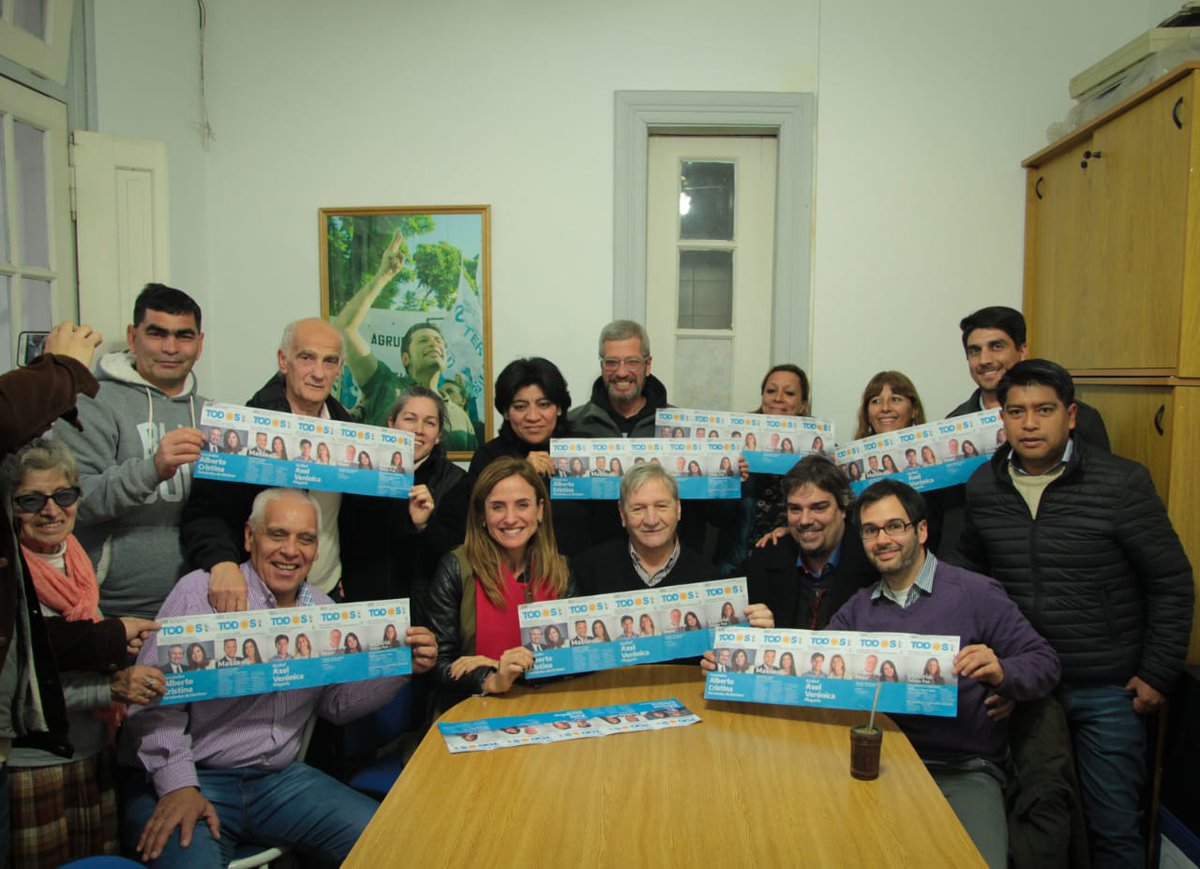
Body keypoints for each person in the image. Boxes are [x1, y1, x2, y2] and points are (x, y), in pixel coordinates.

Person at [953, 359, 1193, 868]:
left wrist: (1157, 673)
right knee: (1035, 822)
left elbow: (1171, 582)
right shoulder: (983, 485)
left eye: (1044, 410)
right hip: (1023, 685)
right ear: (1002, 419)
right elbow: (971, 579)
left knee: (1111, 825)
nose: (1030, 424)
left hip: (1104, 687)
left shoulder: (1121, 483)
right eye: (1016, 412)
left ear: (1071, 415)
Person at [120, 487, 438, 865]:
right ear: (248, 537)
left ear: (317, 550)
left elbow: (334, 704)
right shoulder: (199, 594)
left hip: (279, 780)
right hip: (195, 776)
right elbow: (152, 705)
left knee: (393, 847)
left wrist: (402, 668)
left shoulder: (323, 611)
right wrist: (178, 784)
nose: (291, 550)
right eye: (277, 535)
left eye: (304, 539)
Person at [829, 479, 1060, 869]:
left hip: (964, 769)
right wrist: (745, 651)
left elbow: (1044, 661)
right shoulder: (857, 609)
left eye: (894, 526)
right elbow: (807, 669)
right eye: (870, 531)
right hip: (879, 765)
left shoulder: (975, 592)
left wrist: (1003, 671)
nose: (882, 539)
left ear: (921, 531)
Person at [0, 323, 164, 862]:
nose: (51, 511)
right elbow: (30, 678)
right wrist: (111, 679)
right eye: (31, 502)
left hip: (92, 752)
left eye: (64, 495)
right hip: (33, 762)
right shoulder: (13, 582)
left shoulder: (81, 561)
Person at [182, 318, 376, 608]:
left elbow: (363, 523)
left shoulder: (355, 437)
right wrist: (221, 562)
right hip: (252, 596)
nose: (318, 373)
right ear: (283, 361)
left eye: (330, 361)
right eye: (307, 358)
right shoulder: (241, 430)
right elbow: (204, 512)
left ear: (339, 369)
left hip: (327, 594)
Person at [53, 284, 208, 620]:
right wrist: (152, 469)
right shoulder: (89, 404)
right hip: (107, 608)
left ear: (199, 344)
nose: (170, 348)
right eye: (157, 333)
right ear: (132, 336)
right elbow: (74, 502)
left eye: (184, 336)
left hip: (194, 605)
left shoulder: (212, 415)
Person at [568, 320, 738, 552]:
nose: (621, 372)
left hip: (670, 568)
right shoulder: (571, 425)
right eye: (611, 362)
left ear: (648, 366)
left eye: (632, 362)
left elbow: (720, 515)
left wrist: (726, 475)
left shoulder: (685, 429)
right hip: (595, 565)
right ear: (601, 366)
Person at [426, 458, 573, 705]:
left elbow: (577, 659)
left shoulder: (562, 569)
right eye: (497, 507)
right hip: (475, 709)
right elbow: (439, 666)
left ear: (539, 511)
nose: (510, 518)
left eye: (522, 505)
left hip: (550, 706)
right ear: (481, 515)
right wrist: (491, 679)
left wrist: (497, 665)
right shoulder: (455, 567)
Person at [335, 231, 479, 448]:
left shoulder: (460, 416)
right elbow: (344, 330)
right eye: (423, 341)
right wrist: (382, 277)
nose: (434, 344)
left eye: (439, 341)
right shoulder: (384, 385)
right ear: (405, 358)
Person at [338, 387, 469, 621]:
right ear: (392, 423)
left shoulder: (457, 481)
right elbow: (346, 535)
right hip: (365, 608)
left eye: (429, 423)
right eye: (409, 419)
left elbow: (457, 554)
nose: (418, 430)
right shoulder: (361, 474)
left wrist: (424, 525)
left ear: (438, 434)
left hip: (427, 614)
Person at [741, 456, 878, 630]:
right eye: (795, 509)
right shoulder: (768, 556)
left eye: (819, 508)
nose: (805, 520)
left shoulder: (872, 560)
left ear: (843, 508)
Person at [466, 357, 588, 553]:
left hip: (580, 566)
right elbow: (475, 523)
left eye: (544, 404)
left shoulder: (584, 449)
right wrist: (521, 472)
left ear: (559, 408)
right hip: (508, 569)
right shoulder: (488, 457)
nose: (532, 416)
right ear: (506, 412)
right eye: (520, 407)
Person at [573, 464, 719, 596]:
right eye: (638, 509)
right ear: (622, 513)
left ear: (678, 509)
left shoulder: (707, 577)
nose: (651, 520)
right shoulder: (588, 570)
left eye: (661, 506)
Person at [854, 371, 926, 439]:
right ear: (867, 413)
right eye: (877, 401)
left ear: (914, 409)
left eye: (895, 399)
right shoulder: (851, 452)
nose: (885, 408)